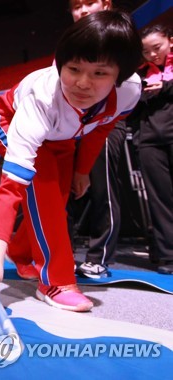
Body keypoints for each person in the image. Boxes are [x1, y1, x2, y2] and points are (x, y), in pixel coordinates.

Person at [0, 11, 142, 312]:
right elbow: (11, 187)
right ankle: (56, 281)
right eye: (73, 68)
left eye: (100, 73)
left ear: (120, 76)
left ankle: (22, 253)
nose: (82, 83)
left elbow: (100, 127)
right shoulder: (41, 100)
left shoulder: (130, 91)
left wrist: (82, 170)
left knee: (59, 197)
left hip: (63, 137)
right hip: (9, 120)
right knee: (47, 196)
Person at [68, 0, 127, 279]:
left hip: (105, 121)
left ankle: (99, 257)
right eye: (75, 6)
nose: (81, 10)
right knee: (66, 192)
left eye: (88, 2)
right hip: (71, 126)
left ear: (105, 3)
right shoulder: (71, 41)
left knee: (103, 189)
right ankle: (63, 254)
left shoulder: (119, 35)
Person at [129, 24, 173, 274]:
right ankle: (168, 256)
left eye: (157, 48)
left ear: (170, 41)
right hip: (149, 143)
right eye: (146, 52)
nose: (153, 55)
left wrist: (165, 88)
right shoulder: (140, 76)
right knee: (160, 201)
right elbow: (130, 108)